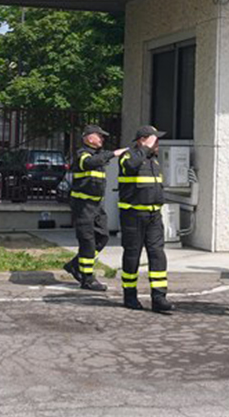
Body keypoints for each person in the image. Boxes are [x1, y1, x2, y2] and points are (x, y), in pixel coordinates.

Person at [63, 124, 127, 291]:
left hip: (97, 206)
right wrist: (114, 154)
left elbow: (98, 160)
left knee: (103, 237)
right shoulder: (82, 154)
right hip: (83, 205)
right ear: (89, 137)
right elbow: (89, 163)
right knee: (87, 241)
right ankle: (87, 279)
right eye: (100, 136)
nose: (102, 139)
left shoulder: (98, 156)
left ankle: (75, 265)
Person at [118, 125, 172, 314]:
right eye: (154, 139)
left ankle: (159, 297)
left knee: (157, 255)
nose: (158, 143)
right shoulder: (129, 155)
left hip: (154, 216)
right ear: (143, 140)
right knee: (132, 255)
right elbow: (131, 165)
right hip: (133, 215)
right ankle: (130, 295)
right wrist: (146, 148)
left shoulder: (153, 161)